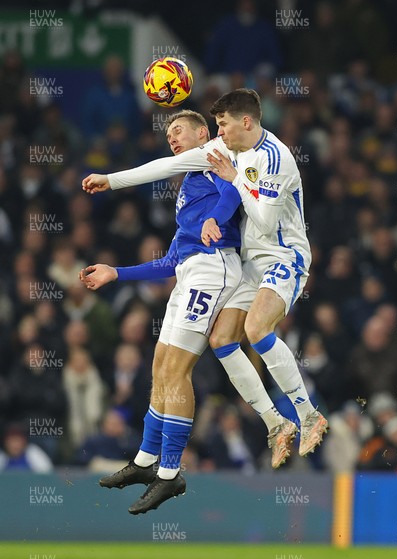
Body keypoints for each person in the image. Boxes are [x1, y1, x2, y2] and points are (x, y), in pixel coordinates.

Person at [82, 90, 329, 462]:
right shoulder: (224, 149)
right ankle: (276, 423)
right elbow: (166, 167)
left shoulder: (276, 159)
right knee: (221, 340)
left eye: (223, 124)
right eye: (216, 125)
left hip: (284, 255)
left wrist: (236, 180)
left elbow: (263, 221)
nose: (219, 132)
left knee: (257, 329)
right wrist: (111, 179)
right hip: (249, 263)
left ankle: (309, 415)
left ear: (245, 122)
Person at [81, 110, 245, 515]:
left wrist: (215, 218)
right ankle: (144, 462)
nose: (171, 138)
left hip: (213, 267)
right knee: (159, 366)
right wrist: (116, 272)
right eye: (167, 133)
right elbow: (170, 261)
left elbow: (234, 191)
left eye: (178, 131)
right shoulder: (190, 186)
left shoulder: (215, 155)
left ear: (203, 133)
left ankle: (170, 474)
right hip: (189, 271)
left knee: (177, 370)